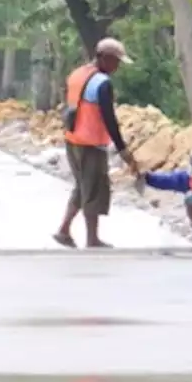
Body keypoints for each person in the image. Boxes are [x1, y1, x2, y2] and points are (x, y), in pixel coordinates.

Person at [54, 37, 139, 249]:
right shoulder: (103, 83)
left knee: (81, 187)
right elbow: (110, 119)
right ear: (104, 58)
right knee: (92, 190)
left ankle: (64, 230)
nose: (117, 67)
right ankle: (92, 239)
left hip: (72, 139)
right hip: (90, 144)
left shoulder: (78, 75)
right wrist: (122, 149)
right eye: (116, 61)